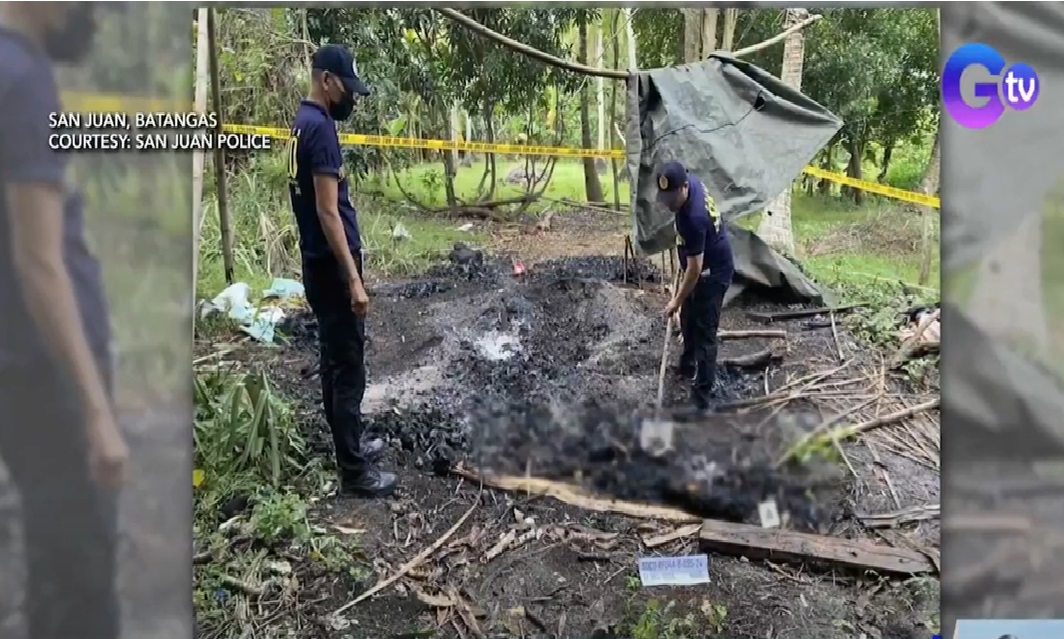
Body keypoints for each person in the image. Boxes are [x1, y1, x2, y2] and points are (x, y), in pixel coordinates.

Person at [0, 3, 127, 639]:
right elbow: (39, 262)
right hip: (49, 386)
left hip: (20, 373)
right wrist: (98, 413)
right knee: (81, 590)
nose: (94, 16)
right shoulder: (23, 80)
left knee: (53, 576)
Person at [287, 44, 396, 497]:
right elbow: (328, 212)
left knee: (335, 362)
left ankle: (349, 448)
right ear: (327, 80)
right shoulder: (321, 131)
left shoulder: (303, 123)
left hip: (317, 263)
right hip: (333, 270)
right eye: (346, 88)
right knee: (348, 367)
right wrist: (354, 278)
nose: (350, 97)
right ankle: (355, 474)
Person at [657, 161, 735, 411]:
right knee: (689, 320)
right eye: (664, 196)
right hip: (700, 269)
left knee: (705, 333)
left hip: (712, 275)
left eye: (672, 197)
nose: (668, 203)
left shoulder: (694, 218)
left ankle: (702, 395)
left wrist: (675, 301)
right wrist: (683, 302)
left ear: (684, 188)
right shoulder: (693, 183)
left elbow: (694, 270)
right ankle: (687, 364)